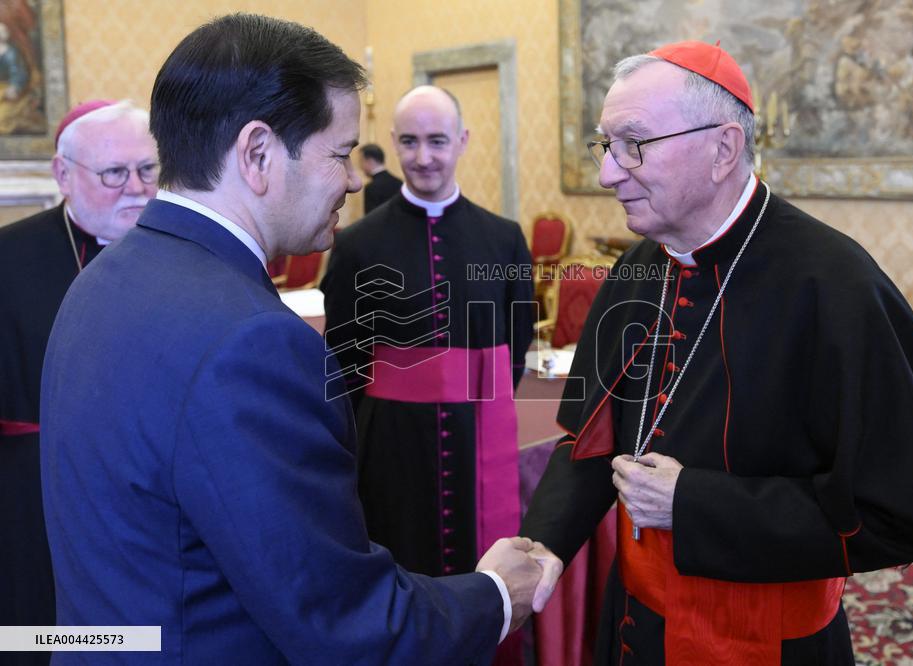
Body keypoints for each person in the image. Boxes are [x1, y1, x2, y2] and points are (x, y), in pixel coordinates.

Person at [41, 15, 556, 664]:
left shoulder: (102, 278)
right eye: (339, 153)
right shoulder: (251, 342)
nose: (352, 179)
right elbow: (342, 621)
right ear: (258, 154)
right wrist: (496, 596)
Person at [519, 41, 913, 665]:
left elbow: (908, 516)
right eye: (605, 145)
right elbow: (591, 441)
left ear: (722, 149)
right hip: (636, 625)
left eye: (634, 144)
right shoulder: (636, 270)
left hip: (766, 643)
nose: (608, 173)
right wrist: (544, 545)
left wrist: (696, 504)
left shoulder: (834, 285)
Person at [321, 85, 535, 582]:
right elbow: (345, 361)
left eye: (437, 141)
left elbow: (516, 345)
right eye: (410, 142)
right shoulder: (355, 244)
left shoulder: (503, 239)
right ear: (393, 142)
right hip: (390, 445)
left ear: (462, 140)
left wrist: (476, 403)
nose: (424, 157)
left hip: (476, 436)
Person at [0, 98, 156, 665]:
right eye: (114, 173)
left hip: (154, 498)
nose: (136, 188)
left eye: (147, 169)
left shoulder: (185, 251)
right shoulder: (8, 259)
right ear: (62, 174)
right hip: (34, 502)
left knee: (147, 638)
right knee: (42, 639)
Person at [359, 142, 402, 213]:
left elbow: (370, 219)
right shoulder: (399, 182)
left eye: (361, 161)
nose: (361, 166)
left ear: (370, 161)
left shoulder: (371, 187)